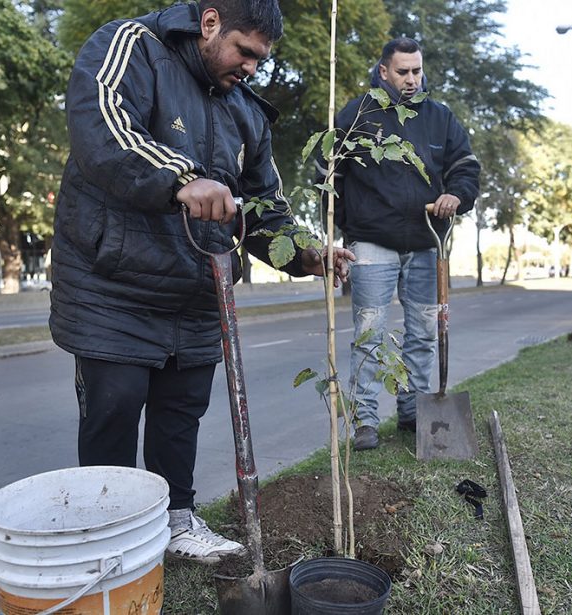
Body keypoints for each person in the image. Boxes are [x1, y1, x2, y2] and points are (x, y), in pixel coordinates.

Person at [50, 0, 353, 564]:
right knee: (115, 406)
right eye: (245, 52)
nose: (251, 68)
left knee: (181, 410)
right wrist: (181, 179)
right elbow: (102, 127)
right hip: (113, 284)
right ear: (210, 23)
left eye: (260, 60)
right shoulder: (132, 48)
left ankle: (176, 522)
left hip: (197, 288)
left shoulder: (247, 111)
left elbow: (262, 209)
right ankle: (107, 532)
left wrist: (304, 255)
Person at [317, 37, 481, 450]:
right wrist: (332, 233)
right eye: (403, 71)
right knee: (369, 333)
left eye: (417, 71)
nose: (411, 79)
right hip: (371, 242)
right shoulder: (356, 114)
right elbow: (325, 173)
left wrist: (456, 196)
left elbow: (465, 166)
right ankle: (366, 423)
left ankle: (415, 412)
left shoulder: (441, 117)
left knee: (424, 332)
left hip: (428, 242)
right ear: (384, 71)